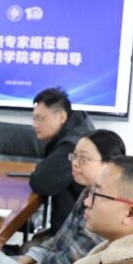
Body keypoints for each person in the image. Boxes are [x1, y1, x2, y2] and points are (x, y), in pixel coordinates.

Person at [0, 129, 126, 264]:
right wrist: (30, 257)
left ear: (109, 165)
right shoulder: (89, 192)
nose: (75, 163)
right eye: (74, 156)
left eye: (83, 158)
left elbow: (72, 261)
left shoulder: (106, 207)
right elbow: (59, 240)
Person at [29, 86, 95, 236]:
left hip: (74, 234)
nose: (34, 125)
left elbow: (42, 182)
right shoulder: (79, 127)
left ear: (61, 117)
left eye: (40, 118)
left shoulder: (73, 144)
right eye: (34, 118)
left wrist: (38, 172)